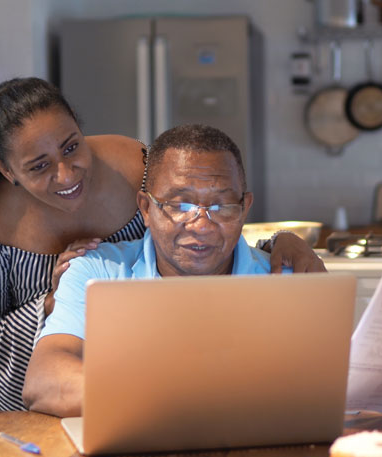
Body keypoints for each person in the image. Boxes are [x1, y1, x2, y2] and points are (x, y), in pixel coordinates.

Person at [0, 77, 323, 412]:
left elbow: (205, 223)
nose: (65, 174)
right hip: (47, 402)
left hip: (129, 394)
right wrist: (53, 303)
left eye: (70, 147)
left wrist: (280, 243)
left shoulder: (136, 166)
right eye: (38, 166)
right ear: (6, 169)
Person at [23, 124, 299, 417]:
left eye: (221, 206)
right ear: (145, 208)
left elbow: (324, 388)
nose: (201, 225)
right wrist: (181, 399)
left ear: (244, 209)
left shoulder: (289, 282)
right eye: (180, 204)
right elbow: (44, 380)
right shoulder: (96, 273)